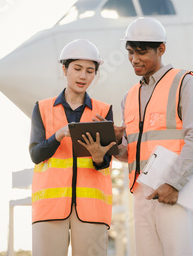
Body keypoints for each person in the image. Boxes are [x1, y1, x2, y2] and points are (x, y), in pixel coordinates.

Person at [116, 17, 193, 256]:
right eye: (130, 52)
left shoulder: (185, 83)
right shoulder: (130, 96)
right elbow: (130, 153)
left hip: (174, 190)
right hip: (141, 194)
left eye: (141, 52)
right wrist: (111, 144)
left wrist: (173, 183)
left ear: (161, 49)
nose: (134, 59)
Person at [29, 38, 117, 256]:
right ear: (64, 69)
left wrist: (99, 156)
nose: (83, 76)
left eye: (89, 71)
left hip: (92, 210)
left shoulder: (103, 111)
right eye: (77, 69)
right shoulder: (42, 108)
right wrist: (58, 136)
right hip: (50, 208)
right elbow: (35, 154)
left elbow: (105, 161)